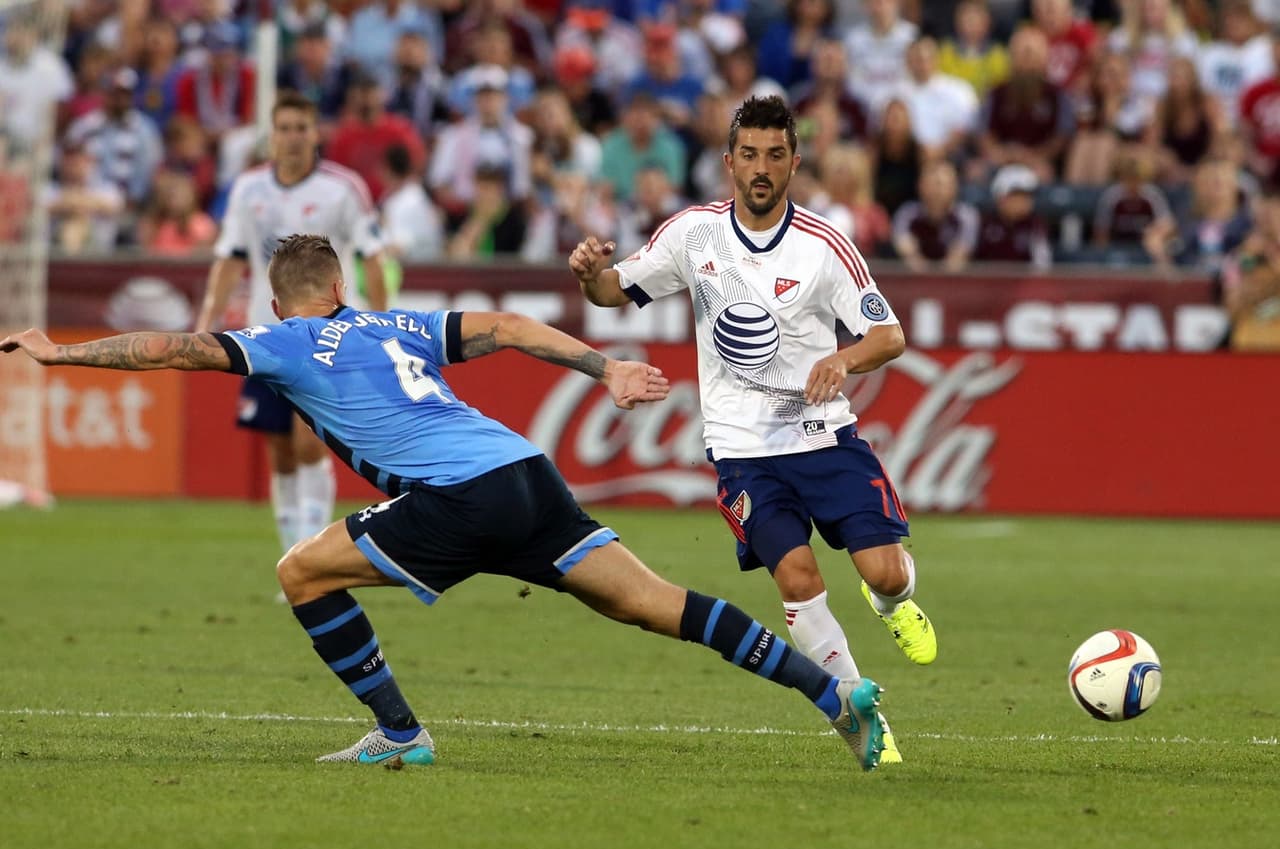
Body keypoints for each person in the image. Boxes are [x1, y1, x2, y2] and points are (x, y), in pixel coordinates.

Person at [1, 233, 888, 772]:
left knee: (301, 572)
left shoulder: (278, 341)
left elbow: (170, 347)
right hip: (527, 473)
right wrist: (604, 363)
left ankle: (398, 733)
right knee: (659, 605)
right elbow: (504, 329)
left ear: (279, 303)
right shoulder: (394, 323)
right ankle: (834, 695)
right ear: (344, 288)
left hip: (459, 495)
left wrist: (58, 351)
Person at [569, 95, 939, 765]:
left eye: (774, 155)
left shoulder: (825, 245)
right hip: (743, 450)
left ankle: (894, 604)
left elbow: (889, 335)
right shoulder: (692, 234)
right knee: (796, 578)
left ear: (795, 162)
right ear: (728, 162)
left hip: (824, 436)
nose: (760, 169)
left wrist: (841, 357)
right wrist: (592, 274)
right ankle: (860, 713)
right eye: (748, 155)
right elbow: (614, 289)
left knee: (884, 572)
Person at [195, 91, 387, 561]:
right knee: (279, 449)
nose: (293, 138)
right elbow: (230, 258)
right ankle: (292, 555)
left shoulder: (344, 189)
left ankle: (312, 556)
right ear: (272, 135)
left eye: (302, 128)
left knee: (309, 443)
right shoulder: (248, 190)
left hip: (329, 336)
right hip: (268, 336)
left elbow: (372, 258)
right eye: (284, 128)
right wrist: (207, 320)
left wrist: (382, 324)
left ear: (315, 133)